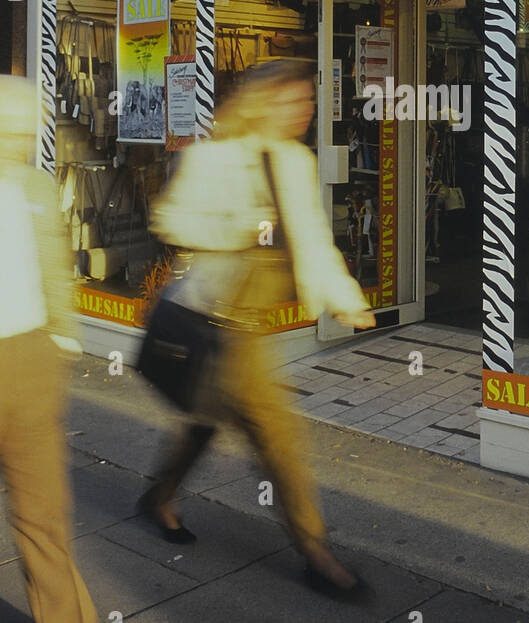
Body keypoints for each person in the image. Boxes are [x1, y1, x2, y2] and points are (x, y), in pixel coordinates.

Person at [143, 59, 376, 595]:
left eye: (306, 102)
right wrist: (238, 227)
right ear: (259, 103)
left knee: (202, 418)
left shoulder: (295, 161)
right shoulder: (212, 157)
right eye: (290, 101)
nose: (302, 111)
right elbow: (169, 219)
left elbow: (312, 236)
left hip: (248, 320)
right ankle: (315, 552)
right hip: (209, 314)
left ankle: (158, 497)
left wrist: (345, 299)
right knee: (275, 435)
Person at [0, 77, 126, 623]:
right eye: (6, 124)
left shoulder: (30, 185)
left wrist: (60, 341)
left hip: (25, 360)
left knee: (44, 507)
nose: (15, 135)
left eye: (21, 126)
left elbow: (54, 266)